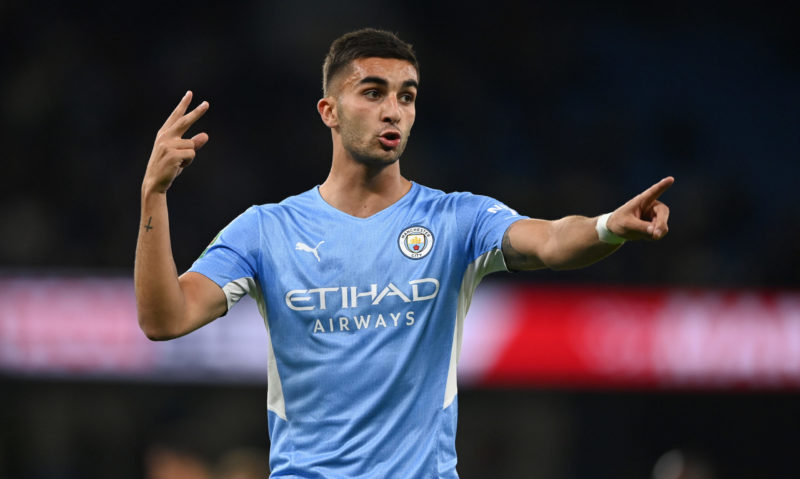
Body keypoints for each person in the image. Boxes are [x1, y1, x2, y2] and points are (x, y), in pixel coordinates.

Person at [135, 28, 673, 478]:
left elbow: (553, 241)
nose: (393, 110)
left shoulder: (457, 220)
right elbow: (165, 318)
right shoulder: (266, 230)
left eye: (406, 96)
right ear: (329, 110)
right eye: (372, 92)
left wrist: (609, 227)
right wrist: (153, 196)